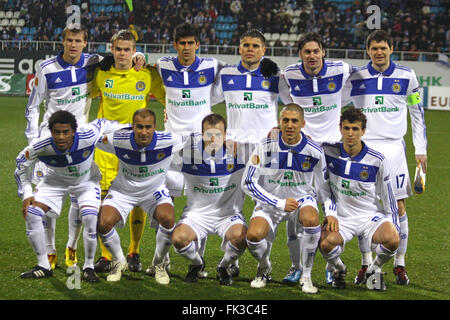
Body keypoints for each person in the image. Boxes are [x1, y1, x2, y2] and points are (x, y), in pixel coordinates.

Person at [24, 25, 146, 271]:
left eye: (78, 40)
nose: (73, 44)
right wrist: (33, 140)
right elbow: (33, 107)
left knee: (79, 199)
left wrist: (140, 56)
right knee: (46, 198)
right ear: (63, 40)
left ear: (84, 43)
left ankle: (72, 247)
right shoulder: (46, 68)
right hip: (51, 141)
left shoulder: (93, 63)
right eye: (69, 40)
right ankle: (50, 251)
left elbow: (122, 56)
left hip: (81, 141)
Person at [346, 30, 427, 285]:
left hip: (394, 150)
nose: (379, 52)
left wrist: (420, 149)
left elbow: (417, 112)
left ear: (391, 48)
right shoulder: (356, 77)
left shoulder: (407, 76)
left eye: (383, 47)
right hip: (364, 149)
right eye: (374, 48)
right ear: (367, 51)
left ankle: (399, 265)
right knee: (364, 207)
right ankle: (366, 264)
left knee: (399, 207)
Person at [214, 29, 293, 281]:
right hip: (233, 150)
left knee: (267, 205)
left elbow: (294, 103)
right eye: (246, 45)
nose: (250, 49)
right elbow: (202, 103)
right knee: (228, 208)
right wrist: (220, 135)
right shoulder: (226, 74)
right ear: (239, 48)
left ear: (264, 50)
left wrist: (280, 127)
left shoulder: (272, 74)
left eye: (256, 46)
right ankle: (230, 259)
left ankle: (264, 266)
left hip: (266, 150)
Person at [152, 23, 226, 278]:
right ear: (175, 45)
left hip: (200, 148)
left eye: (190, 43)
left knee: (200, 204)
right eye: (181, 43)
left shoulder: (212, 66)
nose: (186, 48)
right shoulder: (163, 65)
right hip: (172, 147)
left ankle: (199, 262)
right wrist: (139, 57)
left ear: (197, 44)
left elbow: (228, 82)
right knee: (165, 205)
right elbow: (144, 67)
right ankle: (160, 262)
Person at [15, 110, 125, 281]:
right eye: (56, 132)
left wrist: (129, 128)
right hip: (55, 182)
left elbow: (103, 122)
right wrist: (27, 193)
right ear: (50, 132)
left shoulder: (87, 135)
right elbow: (20, 165)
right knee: (32, 213)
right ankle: (43, 265)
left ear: (74, 131)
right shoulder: (41, 146)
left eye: (65, 132)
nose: (61, 137)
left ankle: (88, 267)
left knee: (90, 218)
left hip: (86, 181)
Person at [91, 29, 166, 274]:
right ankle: (105, 256)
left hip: (136, 150)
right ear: (112, 50)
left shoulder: (146, 74)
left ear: (134, 51)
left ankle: (133, 252)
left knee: (136, 201)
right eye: (118, 49)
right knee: (103, 203)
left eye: (127, 49)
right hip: (106, 150)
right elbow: (80, 93)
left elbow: (170, 97)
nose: (122, 53)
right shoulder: (101, 74)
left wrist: (168, 113)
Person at [241, 104, 335, 293]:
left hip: (302, 200)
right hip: (271, 202)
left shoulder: (315, 151)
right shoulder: (265, 146)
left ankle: (306, 276)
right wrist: (278, 202)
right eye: (285, 120)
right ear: (279, 123)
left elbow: (324, 186)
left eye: (294, 121)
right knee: (252, 237)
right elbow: (248, 182)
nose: (290, 125)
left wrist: (331, 212)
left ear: (302, 124)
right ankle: (264, 267)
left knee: (311, 219)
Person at [283, 32, 353, 285]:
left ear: (323, 52)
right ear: (300, 54)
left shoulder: (341, 69)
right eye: (306, 52)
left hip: (334, 149)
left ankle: (330, 263)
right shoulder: (290, 74)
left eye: (316, 51)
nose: (312, 56)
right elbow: (281, 96)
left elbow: (362, 78)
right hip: (304, 149)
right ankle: (296, 266)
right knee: (297, 210)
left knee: (332, 209)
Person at [96, 109, 183, 284]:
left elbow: (199, 142)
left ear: (155, 127)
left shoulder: (170, 140)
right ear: (132, 127)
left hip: (154, 192)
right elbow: (92, 138)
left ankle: (159, 263)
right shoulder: (118, 140)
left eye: (148, 127)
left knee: (168, 219)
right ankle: (119, 261)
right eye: (139, 127)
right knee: (102, 224)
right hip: (123, 191)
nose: (144, 132)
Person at [319, 107, 400, 291]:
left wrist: (394, 224)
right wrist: (330, 212)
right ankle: (339, 269)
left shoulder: (377, 160)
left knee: (393, 239)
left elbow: (388, 198)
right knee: (324, 244)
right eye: (346, 128)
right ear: (340, 129)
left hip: (369, 216)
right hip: (342, 217)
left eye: (355, 129)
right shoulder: (327, 151)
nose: (350, 134)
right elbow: (322, 185)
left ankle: (374, 269)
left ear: (363, 131)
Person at [171, 114, 247, 285]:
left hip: (227, 215)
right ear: (201, 134)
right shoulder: (188, 154)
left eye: (218, 134)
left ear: (226, 135)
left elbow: (267, 147)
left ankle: (223, 267)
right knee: (178, 239)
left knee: (242, 238)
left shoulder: (240, 154)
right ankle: (197, 264)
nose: (213, 139)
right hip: (197, 215)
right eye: (208, 134)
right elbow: (163, 151)